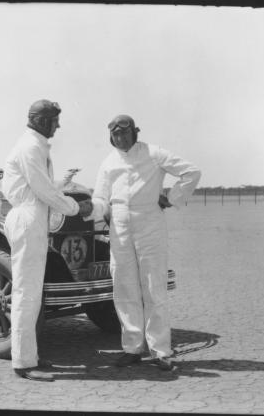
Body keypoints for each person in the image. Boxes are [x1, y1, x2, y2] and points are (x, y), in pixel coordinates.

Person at [88, 114, 201, 371]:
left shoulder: (153, 153)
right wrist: (90, 209)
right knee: (124, 288)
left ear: (135, 133)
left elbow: (191, 172)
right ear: (110, 137)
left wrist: (171, 197)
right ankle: (132, 348)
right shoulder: (108, 162)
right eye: (116, 134)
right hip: (119, 228)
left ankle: (161, 351)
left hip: (150, 224)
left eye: (125, 133)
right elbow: (100, 198)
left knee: (154, 287)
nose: (121, 138)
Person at [2, 99, 93, 382]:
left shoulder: (35, 146)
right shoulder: (30, 147)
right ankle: (23, 363)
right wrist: (77, 208)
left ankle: (29, 356)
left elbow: (41, 187)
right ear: (42, 121)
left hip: (34, 219)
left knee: (31, 294)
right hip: (28, 220)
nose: (58, 125)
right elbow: (42, 191)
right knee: (26, 294)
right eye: (55, 120)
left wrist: (62, 185)